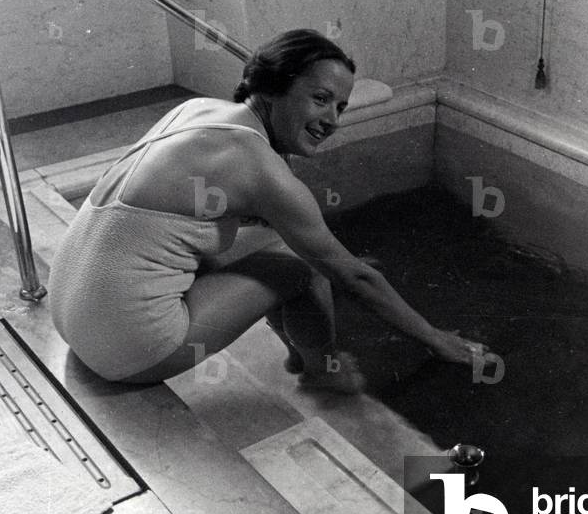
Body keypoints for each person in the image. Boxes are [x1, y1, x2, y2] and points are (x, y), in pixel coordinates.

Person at [49, 28, 487, 392]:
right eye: (320, 98)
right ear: (275, 88)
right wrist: (435, 338)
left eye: (341, 106)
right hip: (127, 351)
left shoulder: (197, 109)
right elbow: (354, 276)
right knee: (305, 265)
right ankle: (323, 370)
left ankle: (302, 350)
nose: (332, 119)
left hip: (72, 317)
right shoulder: (261, 170)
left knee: (285, 243)